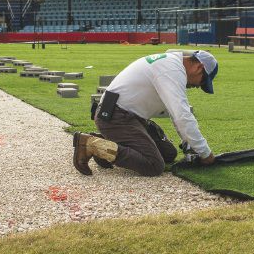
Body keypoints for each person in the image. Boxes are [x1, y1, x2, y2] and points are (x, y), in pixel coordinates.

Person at [73, 50, 219, 176]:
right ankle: (93, 145)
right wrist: (205, 153)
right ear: (199, 67)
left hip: (127, 116)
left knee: (169, 154)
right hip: (115, 117)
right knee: (154, 165)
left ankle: (108, 142)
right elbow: (182, 116)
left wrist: (188, 142)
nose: (197, 86)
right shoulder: (172, 70)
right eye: (202, 82)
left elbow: (176, 114)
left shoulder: (172, 63)